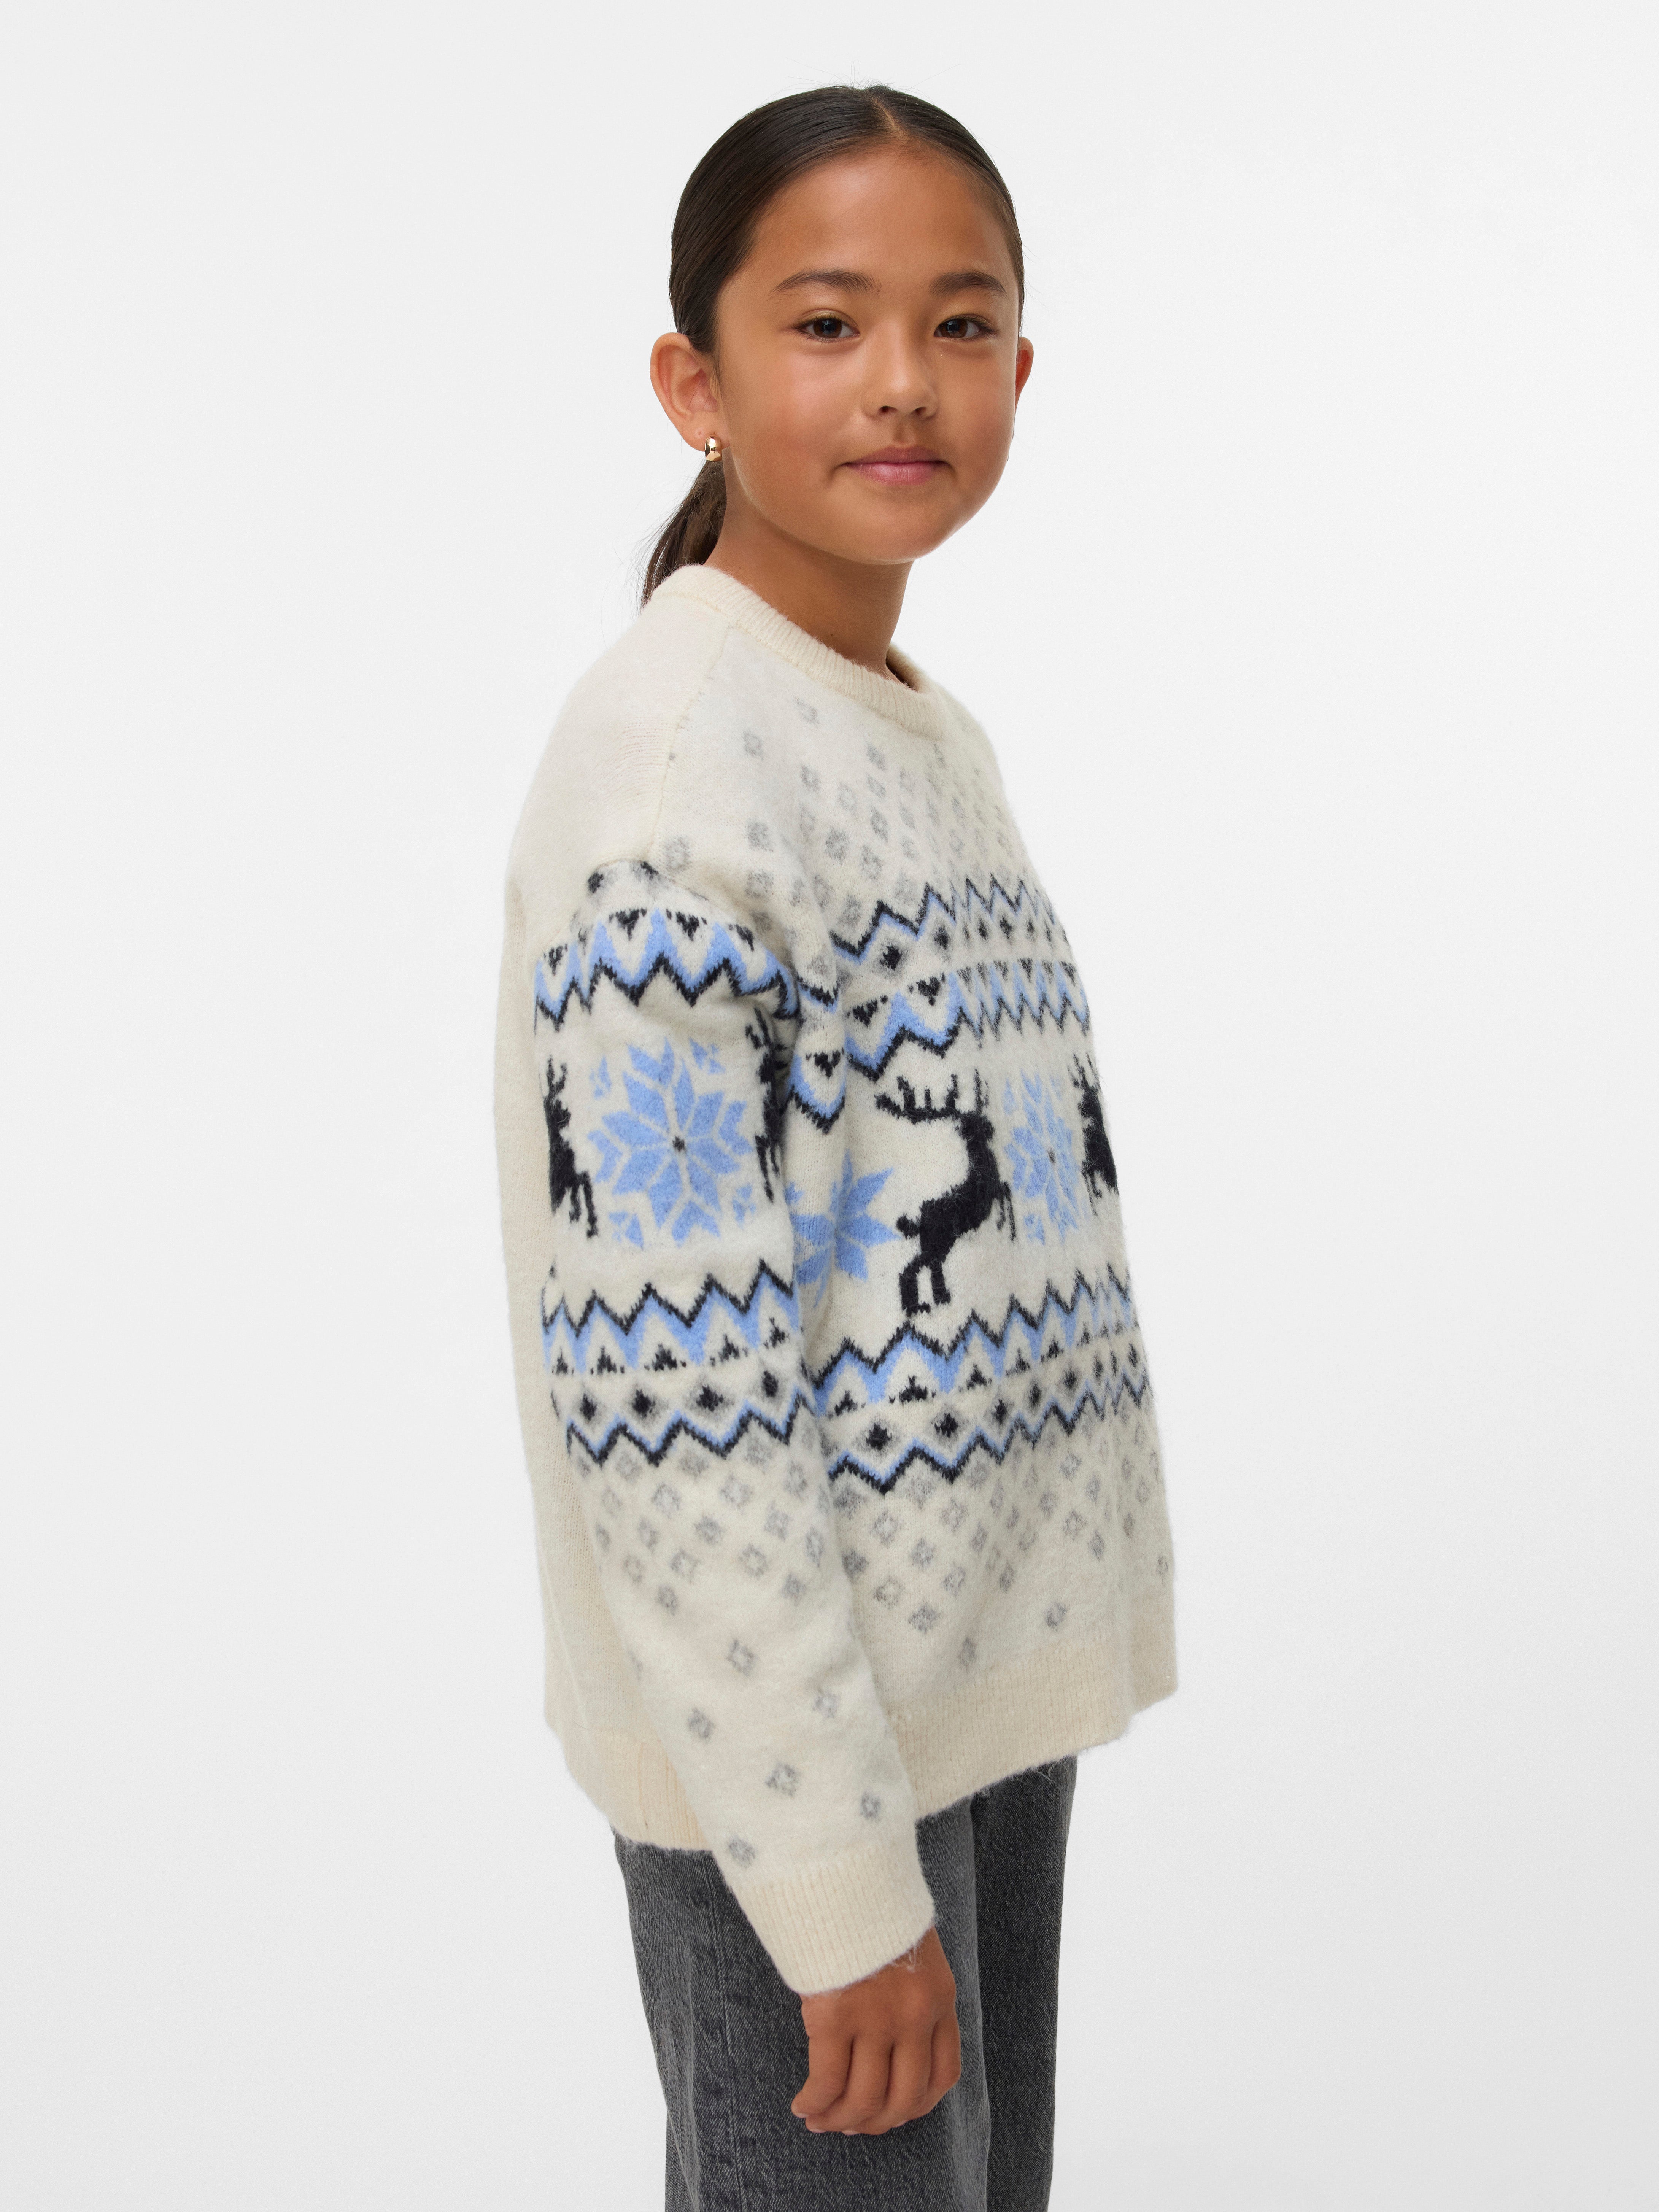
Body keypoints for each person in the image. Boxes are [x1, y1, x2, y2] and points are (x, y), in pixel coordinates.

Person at [493, 83, 1177, 2212]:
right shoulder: (677, 774)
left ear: (1022, 371)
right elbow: (664, 1389)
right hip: (797, 1760)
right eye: (824, 322)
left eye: (960, 324)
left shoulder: (909, 726)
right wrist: (826, 1877)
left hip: (959, 1704)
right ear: (692, 383)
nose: (903, 379)